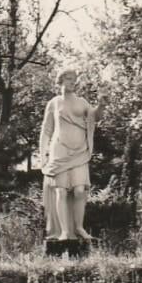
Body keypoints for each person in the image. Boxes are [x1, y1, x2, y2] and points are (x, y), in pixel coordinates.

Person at [39, 68, 103, 241]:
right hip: (59, 151)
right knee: (60, 191)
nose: (72, 82)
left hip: (80, 152)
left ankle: (79, 227)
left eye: (74, 79)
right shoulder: (54, 103)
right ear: (60, 80)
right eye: (68, 78)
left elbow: (95, 117)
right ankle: (65, 232)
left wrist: (101, 105)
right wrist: (42, 156)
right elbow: (46, 130)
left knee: (80, 191)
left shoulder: (82, 102)